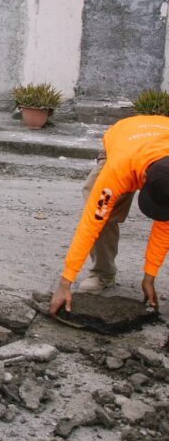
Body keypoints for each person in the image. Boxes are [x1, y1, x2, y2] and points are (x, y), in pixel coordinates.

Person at [49, 115, 169, 315]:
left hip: (159, 136)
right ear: (144, 178)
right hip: (124, 139)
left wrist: (150, 276)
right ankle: (103, 273)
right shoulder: (118, 170)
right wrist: (65, 282)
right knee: (102, 210)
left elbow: (164, 226)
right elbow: (91, 222)